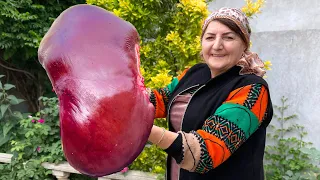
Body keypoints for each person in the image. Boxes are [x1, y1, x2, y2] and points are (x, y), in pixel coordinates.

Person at [147, 7, 273, 180]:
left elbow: (206, 152)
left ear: (244, 44)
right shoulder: (194, 73)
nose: (217, 45)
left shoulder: (252, 89)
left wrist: (145, 131)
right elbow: (156, 101)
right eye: (210, 37)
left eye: (228, 37)